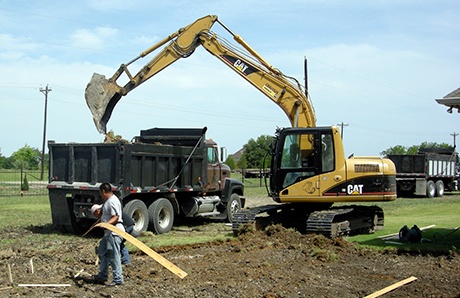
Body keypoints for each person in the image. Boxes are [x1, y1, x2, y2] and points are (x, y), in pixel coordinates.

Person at [92, 183, 125, 286]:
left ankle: (118, 279)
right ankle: (102, 275)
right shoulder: (108, 202)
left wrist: (105, 224)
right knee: (102, 252)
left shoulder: (112, 202)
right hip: (108, 233)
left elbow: (116, 217)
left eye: (100, 193)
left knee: (113, 255)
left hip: (114, 232)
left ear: (103, 191)